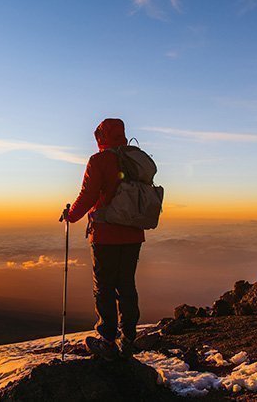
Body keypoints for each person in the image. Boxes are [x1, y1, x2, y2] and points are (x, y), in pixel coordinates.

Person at [60, 118, 144, 360]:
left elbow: (88, 194)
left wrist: (71, 216)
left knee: (104, 287)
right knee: (127, 284)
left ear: (101, 137)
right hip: (133, 233)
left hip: (106, 233)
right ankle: (129, 337)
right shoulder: (134, 158)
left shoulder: (99, 160)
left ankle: (107, 339)